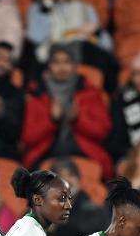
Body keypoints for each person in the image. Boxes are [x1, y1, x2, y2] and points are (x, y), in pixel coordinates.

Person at [22, 45, 113, 179]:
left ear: (75, 66)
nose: (62, 67)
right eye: (56, 62)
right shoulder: (35, 94)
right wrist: (51, 120)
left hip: (83, 149)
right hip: (45, 151)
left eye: (66, 62)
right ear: (48, 66)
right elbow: (28, 137)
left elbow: (103, 131)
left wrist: (78, 119)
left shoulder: (90, 92)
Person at [26, 0, 117, 92]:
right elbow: (36, 37)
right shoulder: (37, 9)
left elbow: (107, 45)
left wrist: (97, 31)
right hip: (52, 52)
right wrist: (47, 4)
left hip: (84, 51)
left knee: (109, 62)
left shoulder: (86, 8)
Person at [108, 35, 140, 163]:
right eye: (135, 74)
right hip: (132, 159)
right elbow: (116, 139)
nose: (137, 80)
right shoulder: (124, 100)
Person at [49, 158, 109, 236]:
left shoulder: (92, 209)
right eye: (60, 177)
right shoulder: (43, 207)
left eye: (70, 175)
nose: (66, 181)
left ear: (78, 179)